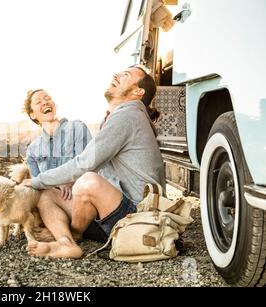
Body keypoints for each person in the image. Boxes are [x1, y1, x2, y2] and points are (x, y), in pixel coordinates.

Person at [22, 65, 165, 259]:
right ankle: (66, 243)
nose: (116, 74)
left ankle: (74, 233)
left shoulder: (128, 115)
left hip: (137, 216)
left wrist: (38, 180)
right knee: (46, 195)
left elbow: (85, 164)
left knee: (87, 180)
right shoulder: (120, 116)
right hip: (116, 209)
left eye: (125, 75)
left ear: (137, 92)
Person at [23, 89, 92, 200]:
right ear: (32, 115)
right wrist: (57, 183)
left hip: (82, 195)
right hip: (53, 200)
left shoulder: (77, 127)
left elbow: (87, 166)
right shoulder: (32, 149)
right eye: (38, 102)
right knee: (44, 198)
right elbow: (37, 184)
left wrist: (67, 181)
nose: (45, 102)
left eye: (47, 98)